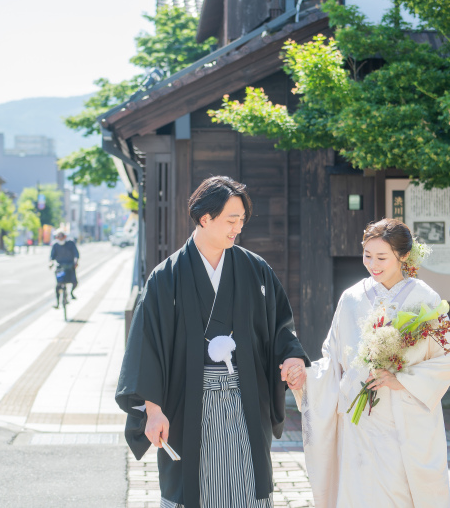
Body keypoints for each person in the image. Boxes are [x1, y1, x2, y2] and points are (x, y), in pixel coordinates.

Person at [115, 176, 310, 508]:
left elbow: (280, 326)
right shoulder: (167, 277)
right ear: (205, 218)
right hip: (188, 401)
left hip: (245, 397)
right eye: (231, 220)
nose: (238, 228)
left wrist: (292, 357)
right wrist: (153, 410)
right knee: (193, 487)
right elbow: (146, 346)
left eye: (241, 221)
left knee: (248, 482)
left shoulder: (255, 270)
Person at [294, 218, 450, 508]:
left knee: (399, 492)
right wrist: (306, 377)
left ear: (404, 256)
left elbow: (448, 355)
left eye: (381, 257)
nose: (373, 264)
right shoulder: (352, 298)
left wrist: (402, 379)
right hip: (359, 420)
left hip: (404, 418)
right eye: (367, 255)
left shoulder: (424, 298)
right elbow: (333, 359)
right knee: (360, 492)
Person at [49, 230, 79, 307]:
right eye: (58, 237)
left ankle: (71, 293)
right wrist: (51, 263)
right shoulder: (55, 245)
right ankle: (58, 303)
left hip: (70, 266)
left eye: (61, 236)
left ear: (65, 236)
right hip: (60, 267)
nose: (60, 238)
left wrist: (76, 262)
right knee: (58, 284)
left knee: (74, 282)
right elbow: (52, 256)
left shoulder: (70, 243)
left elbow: (76, 254)